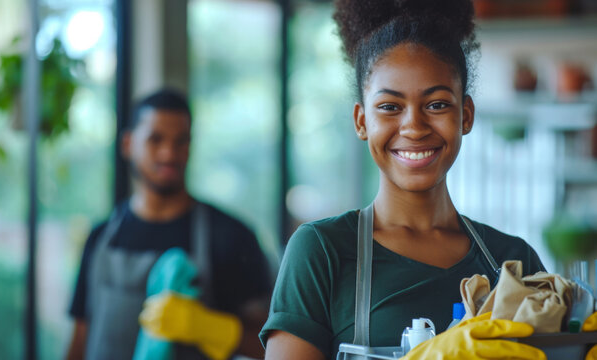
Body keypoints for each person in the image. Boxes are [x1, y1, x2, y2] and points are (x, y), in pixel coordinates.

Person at [260, 1, 549, 359]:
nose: (413, 126)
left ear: (467, 115)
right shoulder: (322, 251)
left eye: (437, 104)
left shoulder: (513, 261)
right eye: (390, 107)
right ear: (362, 121)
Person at [66, 88, 272, 360]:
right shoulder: (100, 237)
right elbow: (80, 338)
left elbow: (272, 346)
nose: (168, 154)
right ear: (128, 144)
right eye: (155, 139)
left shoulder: (232, 237)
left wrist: (215, 329)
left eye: (181, 141)